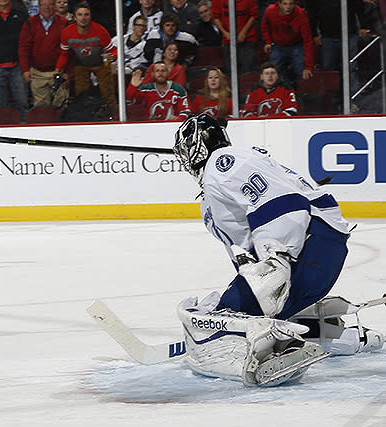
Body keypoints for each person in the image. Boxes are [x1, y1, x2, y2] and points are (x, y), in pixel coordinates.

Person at [171, 113, 382, 386]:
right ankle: (336, 336)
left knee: (224, 317)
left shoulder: (223, 163)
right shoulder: (213, 187)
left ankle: (261, 349)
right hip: (311, 255)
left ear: (195, 146)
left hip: (309, 248)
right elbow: (244, 247)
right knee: (236, 308)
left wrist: (275, 258)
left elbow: (284, 204)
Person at [55, 2, 117, 115]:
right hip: (80, 64)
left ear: (90, 16)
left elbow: (113, 50)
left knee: (107, 92)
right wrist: (58, 68)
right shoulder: (67, 33)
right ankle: (82, 115)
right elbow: (64, 54)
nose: (83, 18)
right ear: (74, 17)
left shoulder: (100, 31)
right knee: (80, 93)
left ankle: (113, 114)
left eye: (86, 15)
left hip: (100, 63)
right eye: (80, 15)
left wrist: (113, 56)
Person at [19, 0, 68, 107]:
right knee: (41, 109)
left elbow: (68, 50)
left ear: (55, 6)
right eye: (44, 4)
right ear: (39, 6)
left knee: (61, 106)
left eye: (50, 4)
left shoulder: (64, 23)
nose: (47, 7)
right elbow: (23, 48)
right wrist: (25, 69)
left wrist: (67, 71)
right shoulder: (30, 23)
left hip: (58, 72)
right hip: (37, 73)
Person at [261, 0, 314, 84]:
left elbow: (308, 40)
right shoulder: (270, 11)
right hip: (278, 44)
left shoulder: (301, 15)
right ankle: (279, 90)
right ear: (279, 4)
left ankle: (300, 93)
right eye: (285, 4)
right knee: (274, 70)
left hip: (296, 44)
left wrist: (308, 67)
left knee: (301, 70)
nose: (288, 7)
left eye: (291, 4)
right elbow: (265, 27)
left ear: (295, 4)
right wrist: (267, 42)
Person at [126, 61, 190, 120]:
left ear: (168, 73)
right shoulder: (145, 89)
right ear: (152, 74)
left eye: (163, 71)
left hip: (172, 127)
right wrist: (132, 87)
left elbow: (186, 112)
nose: (160, 73)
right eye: (157, 71)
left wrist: (177, 119)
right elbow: (129, 103)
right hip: (150, 127)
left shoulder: (178, 90)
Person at [212, 0, 258, 76]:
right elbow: (216, 17)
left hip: (248, 39)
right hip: (228, 40)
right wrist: (225, 32)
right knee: (231, 71)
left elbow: (253, 15)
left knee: (247, 70)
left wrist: (244, 32)